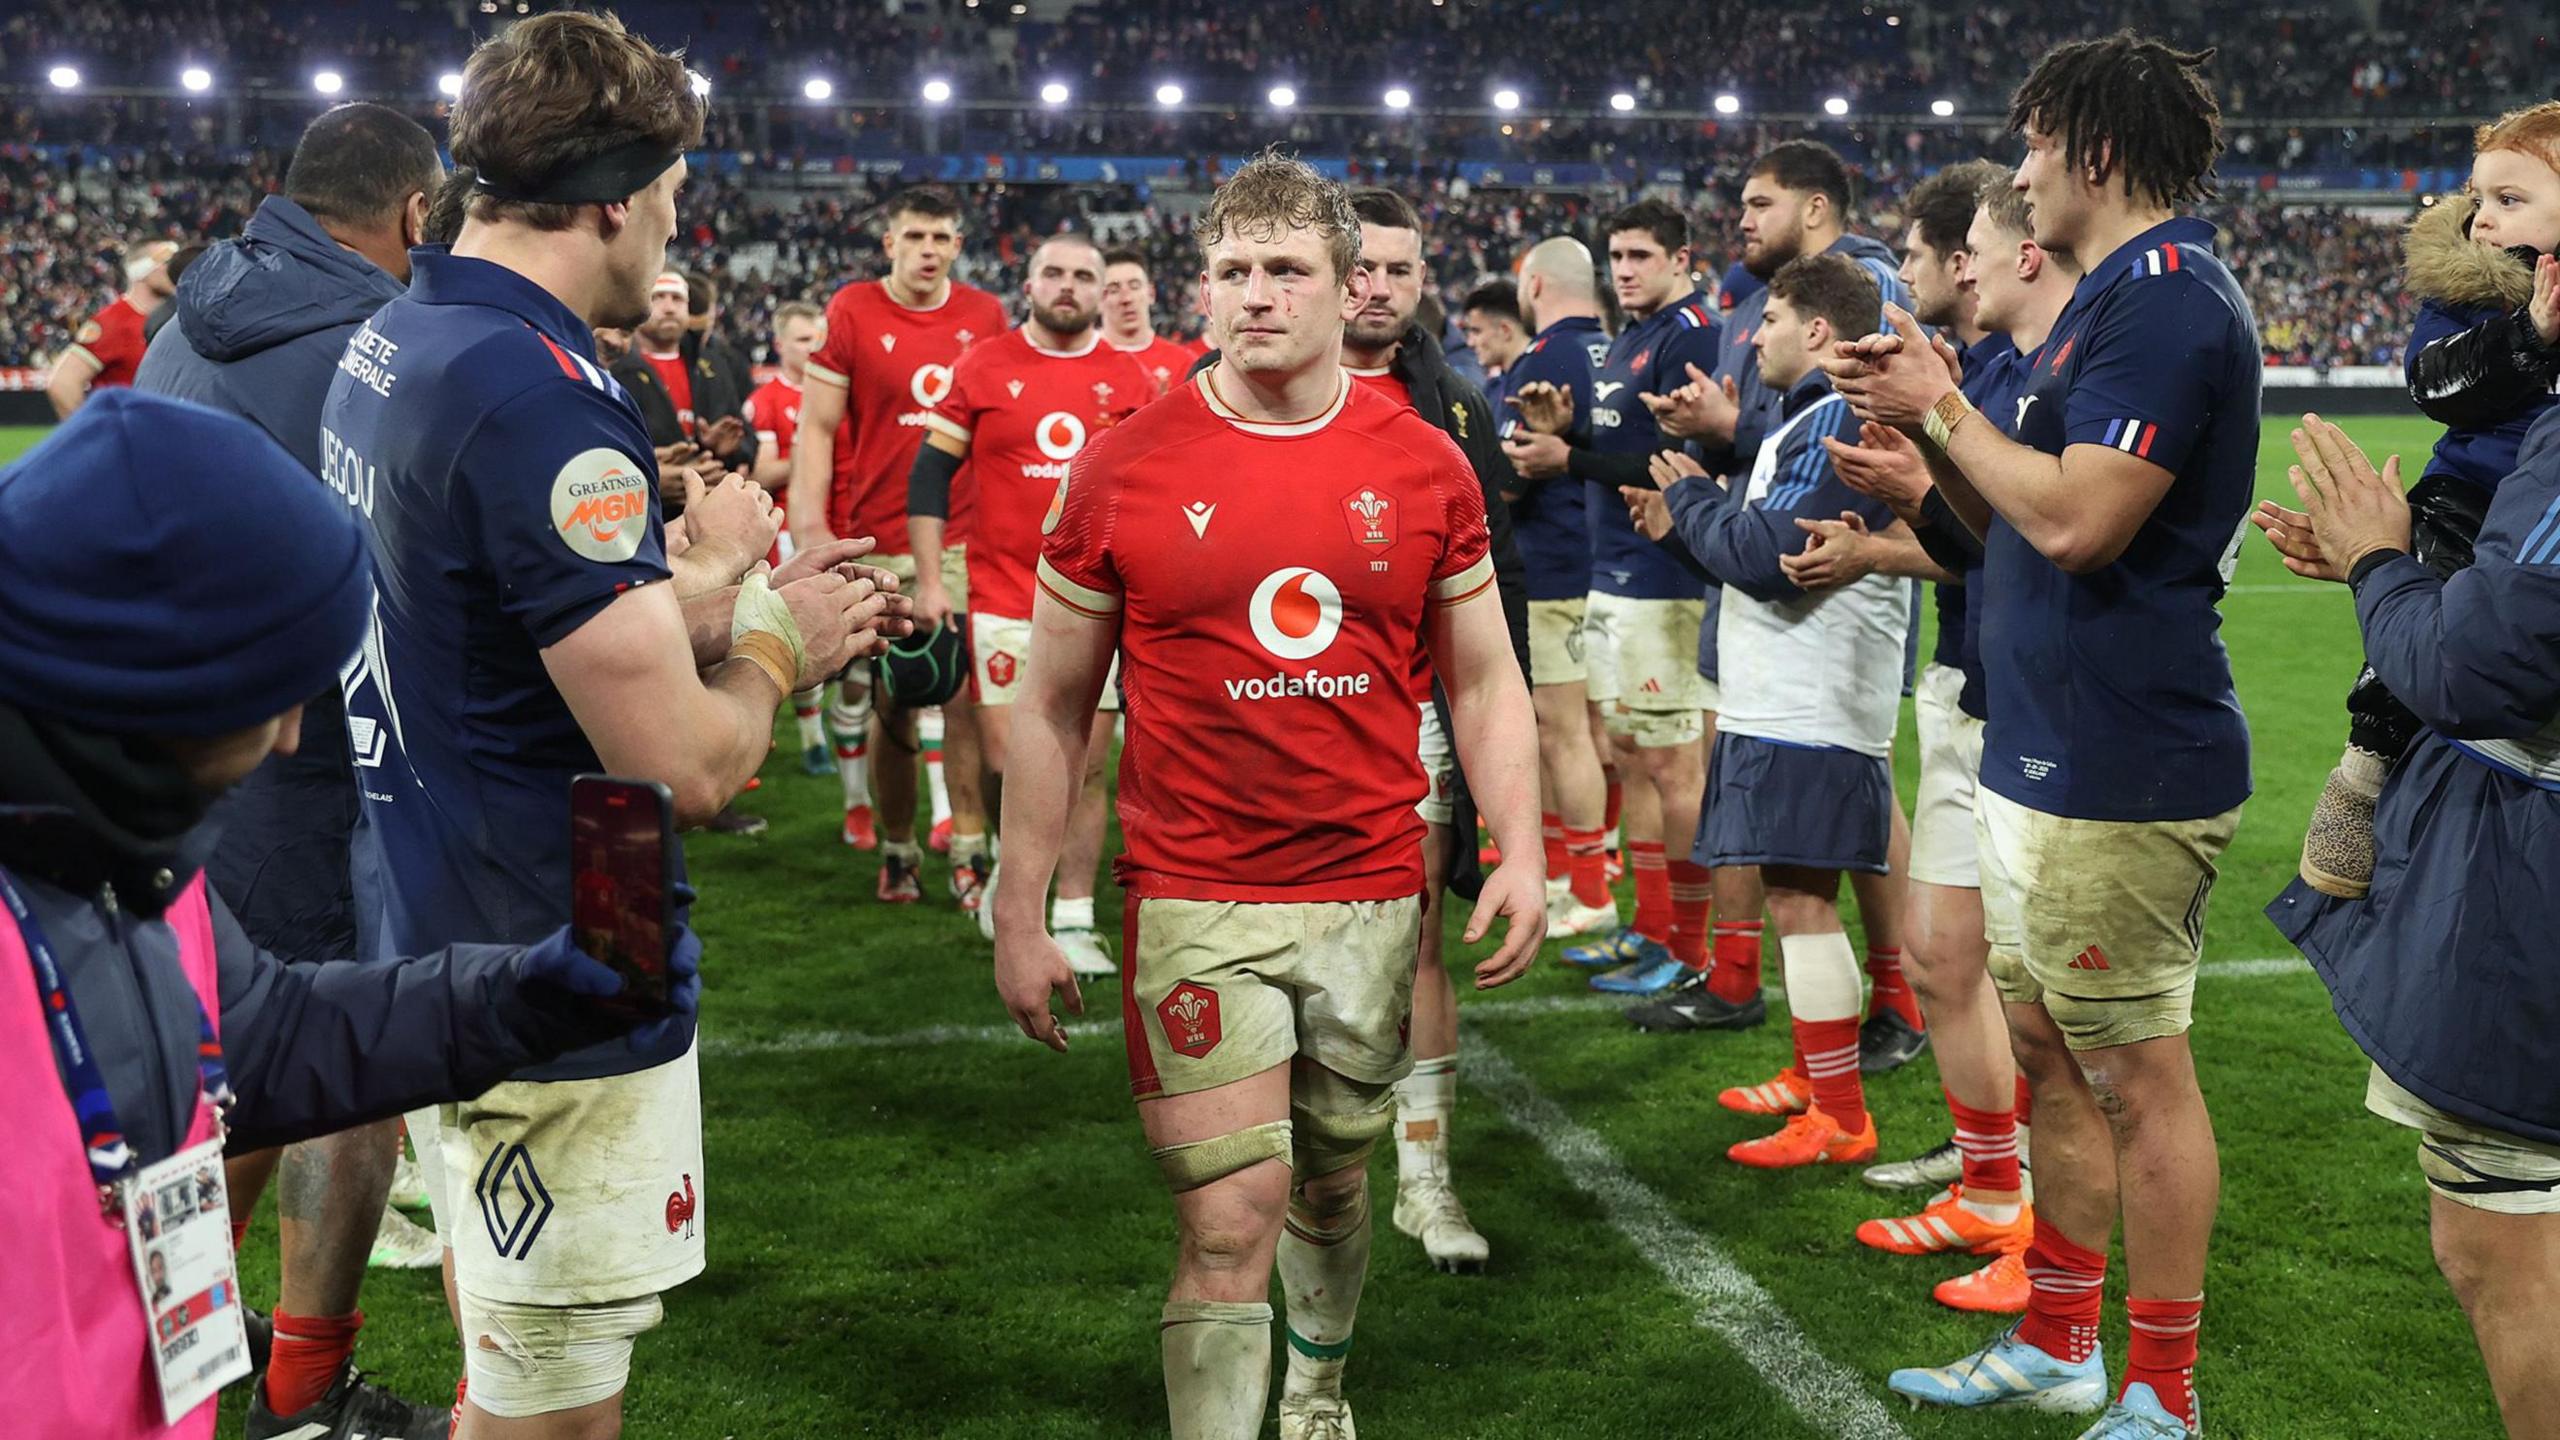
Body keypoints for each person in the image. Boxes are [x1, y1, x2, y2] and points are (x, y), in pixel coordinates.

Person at [319, 15, 904, 1438]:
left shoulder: (404, 332)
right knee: (557, 1413)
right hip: (561, 944)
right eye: (673, 197)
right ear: (614, 200)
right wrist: (777, 642)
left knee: (506, 1358)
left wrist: (696, 597)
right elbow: (690, 767)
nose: (671, 228)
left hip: (431, 900)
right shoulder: (541, 402)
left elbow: (485, 634)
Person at [0, 390, 702, 1440]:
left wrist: (523, 1000)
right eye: (274, 686)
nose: (292, 736)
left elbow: (265, 1035)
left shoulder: (125, 852)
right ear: (160, 681)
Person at [992, 152, 1542, 1440]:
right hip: (1189, 892)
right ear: (1203, 285)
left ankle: (1318, 1388)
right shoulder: (1124, 465)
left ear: (1346, 285)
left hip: (1365, 890)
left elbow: (1485, 677)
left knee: (1334, 1192)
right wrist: (1021, 910)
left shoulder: (1423, 467)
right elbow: (1054, 704)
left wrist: (1518, 847)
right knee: (1228, 1218)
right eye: (1232, 271)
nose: (1255, 295)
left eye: (1285, 269)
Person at [1840, 36, 2256, 1438]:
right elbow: (2011, 537)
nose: (2016, 174)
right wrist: (1925, 469)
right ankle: (2063, 1337)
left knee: (2138, 1079)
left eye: (2028, 146)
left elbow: (2081, 522)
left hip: (2122, 760)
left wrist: (1943, 406)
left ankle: (2161, 1392)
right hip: (2041, 746)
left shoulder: (2170, 303)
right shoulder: (2102, 310)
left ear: (2087, 152)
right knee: (2048, 1051)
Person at [131, 99, 456, 1439]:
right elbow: (418, 588)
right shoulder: (373, 352)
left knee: (210, 1071)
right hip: (313, 758)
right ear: (416, 216)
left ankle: (170, 1348)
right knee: (342, 1067)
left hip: (168, 763)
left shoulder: (179, 322)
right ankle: (301, 1391)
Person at [1801, 166, 2077, 1312]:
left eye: (1921, 258)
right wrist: (1910, 497)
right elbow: (1975, 541)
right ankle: (1989, 1184)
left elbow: (2032, 534)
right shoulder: (1994, 374)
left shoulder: (2037, 378)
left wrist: (1909, 499)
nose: (1913, 278)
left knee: (2039, 1011)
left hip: (2030, 709)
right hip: (1967, 682)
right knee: (1944, 964)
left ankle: (2040, 1237)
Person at [2256, 409, 2560, 1440]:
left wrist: (2383, 565)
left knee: (2500, 1241)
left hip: (2527, 880)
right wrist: (2385, 584)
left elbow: (2477, 675)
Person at [1280, 185, 1535, 1275]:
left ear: (1421, 278)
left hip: (1412, 713)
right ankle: (1293, 1165)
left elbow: (1490, 596)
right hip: (1278, 721)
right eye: (1363, 268)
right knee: (1283, 945)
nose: (1378, 288)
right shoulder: (1260, 387)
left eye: (1398, 270)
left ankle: (1424, 1180)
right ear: (1336, 274)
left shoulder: (1457, 409)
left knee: (1418, 937)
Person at [1634, 140, 1920, 1064]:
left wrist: (1698, 485)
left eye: (1759, 203)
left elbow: (1777, 545)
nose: (1741, 221)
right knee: (1804, 873)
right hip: (1783, 664)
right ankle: (1819, 1062)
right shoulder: (1805, 390)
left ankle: (1884, 1021)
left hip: (1818, 672)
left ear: (1814, 211)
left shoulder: (1860, 320)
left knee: (1824, 871)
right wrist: (1709, 478)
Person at [2292, 100, 2560, 902]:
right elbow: (2435, 384)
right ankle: (2367, 761)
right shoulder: (2467, 296)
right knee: (2431, 622)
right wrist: (2531, 337)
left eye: (2511, 200)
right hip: (2469, 494)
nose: (2482, 220)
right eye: (2480, 199)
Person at [904, 233, 1154, 976]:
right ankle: (1016, 889)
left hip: (1099, 602)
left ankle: (1074, 915)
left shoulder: (1130, 376)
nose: (1069, 286)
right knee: (1015, 759)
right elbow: (928, 477)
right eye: (1055, 273)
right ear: (1030, 283)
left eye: (1084, 275)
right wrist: (928, 579)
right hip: (1002, 593)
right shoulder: (983, 364)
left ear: (1102, 290)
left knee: (1088, 763)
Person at [1502, 199, 1720, 1001]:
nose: (1625, 269)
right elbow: (1621, 449)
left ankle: (1690, 947)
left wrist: (1569, 457)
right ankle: (1648, 925)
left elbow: (1673, 462)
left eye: (1640, 255)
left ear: (1680, 257)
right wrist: (1577, 439)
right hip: (1612, 575)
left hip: (1664, 576)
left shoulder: (1691, 331)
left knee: (1672, 766)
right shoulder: (1629, 337)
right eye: (1616, 257)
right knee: (1629, 756)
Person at [790, 186, 1009, 900]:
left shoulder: (986, 316)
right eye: (915, 236)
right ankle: (899, 847)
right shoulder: (852, 308)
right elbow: (817, 429)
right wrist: (813, 526)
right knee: (897, 697)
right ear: (890, 243)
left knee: (968, 699)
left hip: (969, 536)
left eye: (941, 238)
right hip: (879, 534)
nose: (928, 250)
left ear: (957, 247)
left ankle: (970, 850)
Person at [1489, 248, 1619, 941]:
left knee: (1558, 732)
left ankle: (1587, 886)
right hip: (1606, 562)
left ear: (1532, 286)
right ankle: (1585, 873)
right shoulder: (1617, 348)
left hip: (1551, 567)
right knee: (1595, 732)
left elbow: (1512, 479)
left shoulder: (1540, 360)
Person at [748, 300, 835, 772]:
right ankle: (812, 738)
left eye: (819, 338)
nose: (814, 348)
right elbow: (762, 470)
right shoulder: (767, 400)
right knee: (801, 633)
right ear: (780, 345)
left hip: (836, 519)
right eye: (804, 339)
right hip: (787, 530)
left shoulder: (837, 393)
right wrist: (812, 450)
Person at [47, 239, 177, 418]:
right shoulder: (115, 321)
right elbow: (63, 383)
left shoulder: (177, 319)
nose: (176, 270)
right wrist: (92, 437)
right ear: (141, 268)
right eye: (167, 261)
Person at [1101, 245, 1195, 394]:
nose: (1126, 298)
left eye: (1134, 286)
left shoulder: (1184, 363)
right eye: (1114, 290)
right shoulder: (1081, 363)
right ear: (1098, 299)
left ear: (1151, 293)